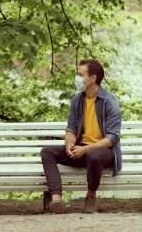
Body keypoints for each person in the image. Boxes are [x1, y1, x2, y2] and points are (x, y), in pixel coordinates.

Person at [40, 59, 122, 213]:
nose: (77, 78)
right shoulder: (77, 100)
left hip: (103, 152)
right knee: (47, 151)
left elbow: (112, 138)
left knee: (94, 153)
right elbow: (71, 129)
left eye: (80, 74)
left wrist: (86, 149)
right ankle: (56, 200)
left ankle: (91, 196)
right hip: (81, 149)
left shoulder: (110, 101)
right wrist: (69, 144)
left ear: (93, 78)